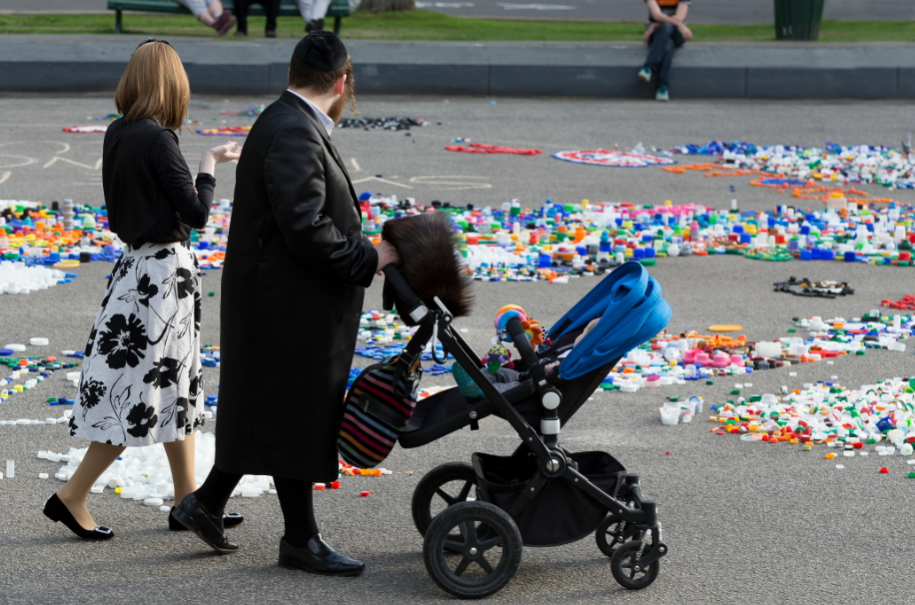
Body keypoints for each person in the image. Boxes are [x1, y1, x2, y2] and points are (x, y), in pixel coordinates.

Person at [173, 32, 399, 577]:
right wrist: (371, 257)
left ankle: (208, 502)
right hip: (288, 303)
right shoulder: (294, 131)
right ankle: (299, 539)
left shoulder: (285, 119)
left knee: (274, 412)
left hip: (278, 299)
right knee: (295, 414)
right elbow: (309, 230)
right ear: (343, 82)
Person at [43, 39, 242, 541]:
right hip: (161, 278)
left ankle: (187, 502)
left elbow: (119, 212)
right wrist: (210, 162)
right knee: (136, 396)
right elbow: (196, 214)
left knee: (176, 390)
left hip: (135, 268)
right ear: (172, 85)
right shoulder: (159, 140)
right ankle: (71, 496)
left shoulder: (117, 133)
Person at [638, 0, 693, 102]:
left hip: (677, 32)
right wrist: (681, 25)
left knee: (667, 28)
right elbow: (656, 15)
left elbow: (679, 17)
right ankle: (662, 88)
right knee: (668, 43)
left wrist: (654, 26)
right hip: (659, 34)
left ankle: (649, 66)